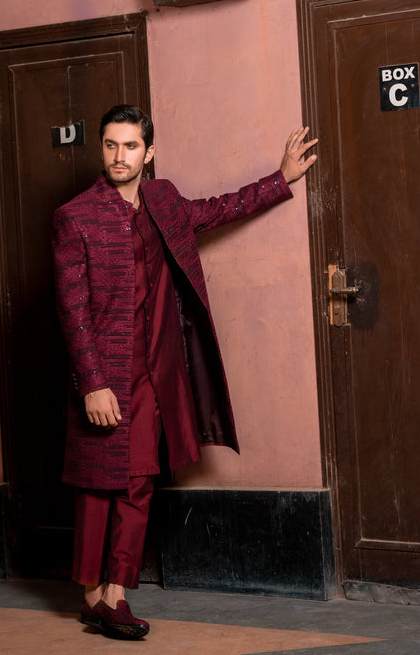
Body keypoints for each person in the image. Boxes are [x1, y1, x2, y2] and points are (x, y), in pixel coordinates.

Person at [52, 105, 317, 640]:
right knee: (97, 486)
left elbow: (216, 210)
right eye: (110, 145)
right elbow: (72, 310)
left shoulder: (163, 200)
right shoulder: (75, 216)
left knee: (139, 482)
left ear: (148, 152)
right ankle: (91, 594)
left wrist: (281, 178)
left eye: (130, 146)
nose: (119, 156)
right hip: (106, 375)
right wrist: (93, 384)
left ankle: (117, 594)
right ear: (101, 148)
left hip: (155, 371)